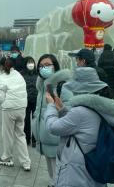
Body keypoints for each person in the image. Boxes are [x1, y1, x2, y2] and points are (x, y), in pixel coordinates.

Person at [45, 67, 114, 187]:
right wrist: (63, 110)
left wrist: (51, 106)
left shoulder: (80, 112)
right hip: (94, 170)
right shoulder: (102, 107)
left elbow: (53, 127)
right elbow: (80, 126)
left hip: (78, 175)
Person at [32, 54, 73, 187]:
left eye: (48, 65)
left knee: (59, 173)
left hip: (57, 139)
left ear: (55, 66)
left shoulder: (62, 87)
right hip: (45, 137)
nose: (44, 68)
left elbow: (69, 113)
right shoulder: (42, 87)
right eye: (41, 66)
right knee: (52, 172)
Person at [0, 57, 31, 171]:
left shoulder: (1, 78)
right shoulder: (18, 75)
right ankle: (26, 162)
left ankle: (7, 158)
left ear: (1, 66)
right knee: (20, 134)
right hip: (21, 107)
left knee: (8, 135)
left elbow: (0, 98)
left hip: (9, 109)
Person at [21, 56, 38, 147]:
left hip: (35, 100)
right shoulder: (21, 74)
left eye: (32, 62)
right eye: (29, 62)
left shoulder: (38, 74)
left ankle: (34, 139)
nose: (30, 64)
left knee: (35, 120)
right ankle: (27, 139)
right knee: (26, 120)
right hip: (25, 101)